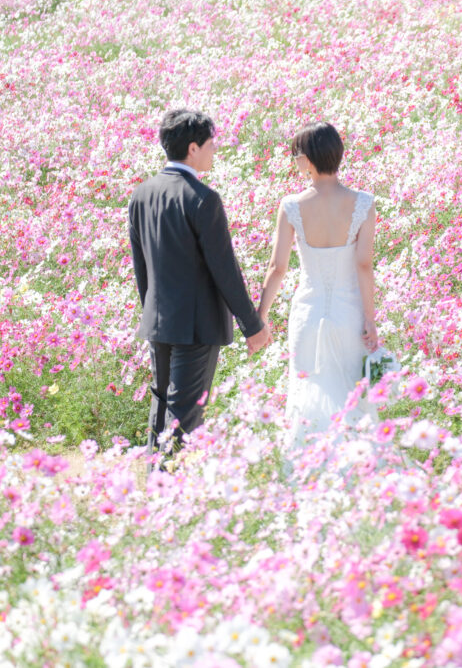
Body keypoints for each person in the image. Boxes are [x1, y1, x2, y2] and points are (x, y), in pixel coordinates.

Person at [128, 109, 272, 468]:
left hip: (158, 321)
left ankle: (154, 481)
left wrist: (152, 310)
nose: (214, 151)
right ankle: (170, 492)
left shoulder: (142, 194)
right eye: (210, 144)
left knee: (161, 404)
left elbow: (140, 266)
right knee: (185, 412)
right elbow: (225, 271)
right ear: (193, 148)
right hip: (195, 326)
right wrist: (253, 326)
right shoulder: (203, 198)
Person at [257, 121, 378, 442]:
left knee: (306, 394)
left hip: (307, 314)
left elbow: (277, 267)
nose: (294, 159)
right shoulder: (364, 203)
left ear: (308, 159)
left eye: (297, 153)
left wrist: (261, 316)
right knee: (352, 396)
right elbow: (364, 264)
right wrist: (370, 319)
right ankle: (357, 467)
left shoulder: (292, 205)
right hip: (349, 312)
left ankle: (305, 469)